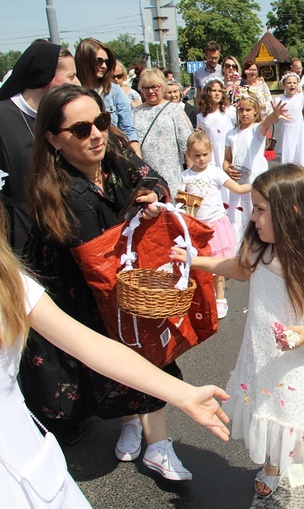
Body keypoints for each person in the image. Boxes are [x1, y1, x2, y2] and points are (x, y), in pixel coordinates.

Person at [0, 193, 231, 508]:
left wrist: (182, 393)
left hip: (31, 467)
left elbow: (93, 347)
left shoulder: (10, 283)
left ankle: (152, 438)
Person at [20, 84, 196, 481]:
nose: (97, 134)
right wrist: (134, 216)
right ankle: (130, 421)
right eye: (81, 129)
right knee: (112, 365)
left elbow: (152, 177)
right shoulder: (52, 189)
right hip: (84, 295)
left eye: (101, 121)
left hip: (130, 287)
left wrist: (152, 196)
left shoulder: (114, 157)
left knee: (150, 355)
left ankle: (159, 445)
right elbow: (92, 249)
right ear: (53, 138)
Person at [169, 164, 304, 508]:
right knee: (272, 418)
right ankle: (273, 466)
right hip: (261, 360)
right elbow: (237, 268)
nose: (252, 217)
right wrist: (196, 260)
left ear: (290, 213)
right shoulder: (263, 248)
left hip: (298, 373)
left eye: (260, 209)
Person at [0, 42, 80, 254]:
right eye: (71, 76)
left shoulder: (60, 115)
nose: (78, 83)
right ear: (47, 78)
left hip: (62, 229)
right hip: (17, 236)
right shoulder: (3, 116)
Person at [181, 132, 253, 318]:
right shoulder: (184, 177)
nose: (201, 159)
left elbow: (237, 188)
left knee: (217, 265)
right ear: (188, 154)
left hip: (215, 226)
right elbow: (180, 201)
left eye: (205, 154)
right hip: (196, 227)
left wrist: (258, 185)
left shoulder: (214, 172)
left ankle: (220, 298)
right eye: (196, 155)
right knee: (199, 265)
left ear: (211, 153)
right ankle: (205, 296)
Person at [225, 94, 287, 239]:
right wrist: (227, 168)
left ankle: (262, 240)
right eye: (241, 110)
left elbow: (266, 123)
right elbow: (227, 159)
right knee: (240, 214)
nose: (244, 113)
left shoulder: (256, 130)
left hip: (256, 176)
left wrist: (275, 114)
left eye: (248, 110)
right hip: (239, 179)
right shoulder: (231, 133)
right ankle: (241, 244)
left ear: (255, 112)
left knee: (259, 209)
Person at [132, 69, 193, 197]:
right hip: (145, 176)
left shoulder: (173, 109)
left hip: (171, 175)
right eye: (146, 87)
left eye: (155, 87)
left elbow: (187, 146)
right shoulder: (135, 112)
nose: (150, 91)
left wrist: (191, 179)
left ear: (162, 87)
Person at [75, 38, 140, 155]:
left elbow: (128, 130)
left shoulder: (114, 91)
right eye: (99, 61)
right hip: (81, 156)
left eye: (107, 62)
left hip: (112, 154)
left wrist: (138, 162)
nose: (104, 66)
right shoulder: (72, 92)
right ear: (85, 61)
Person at [277, 52, 304, 167]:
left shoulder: (300, 97)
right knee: (288, 157)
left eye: (294, 83)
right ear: (284, 85)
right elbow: (274, 116)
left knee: (301, 157)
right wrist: (279, 116)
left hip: (299, 129)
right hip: (288, 130)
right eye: (289, 83)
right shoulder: (279, 99)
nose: (292, 85)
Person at [197, 78, 235, 174]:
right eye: (214, 91)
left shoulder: (229, 111)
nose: (217, 93)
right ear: (207, 93)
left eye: (219, 91)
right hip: (213, 154)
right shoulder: (201, 116)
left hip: (228, 150)